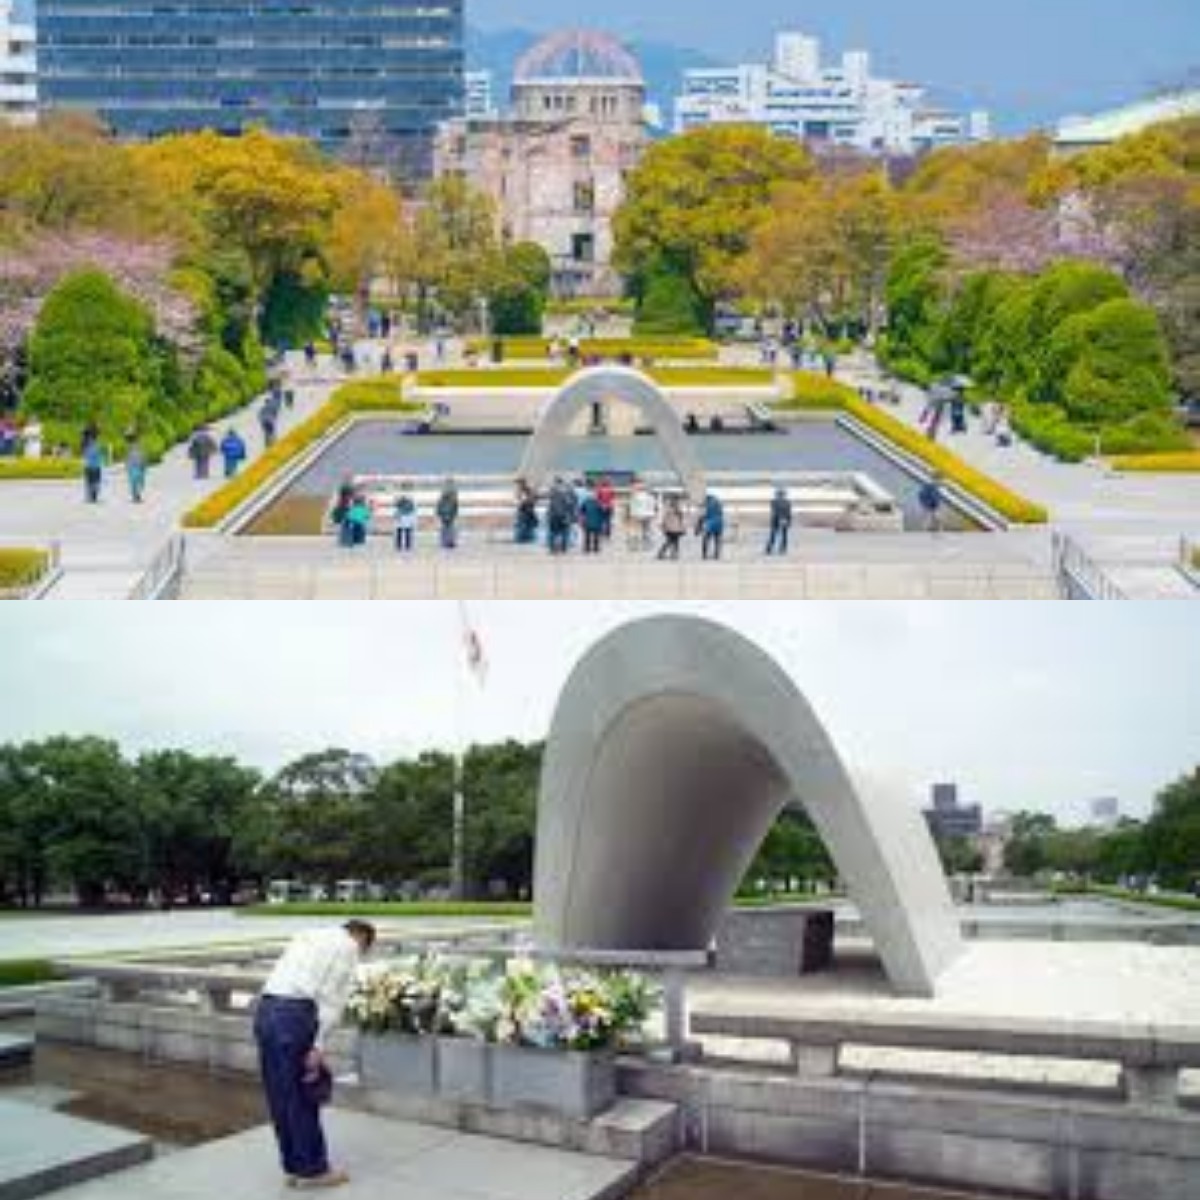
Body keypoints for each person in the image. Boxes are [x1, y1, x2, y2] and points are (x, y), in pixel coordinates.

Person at [255, 921, 376, 1190]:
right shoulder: (348, 947)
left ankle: (293, 1167)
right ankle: (313, 1170)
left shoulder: (308, 935)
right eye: (365, 949)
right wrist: (318, 1046)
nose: (360, 955)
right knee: (303, 1094)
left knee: (280, 1096)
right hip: (294, 1016)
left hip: (266, 1009)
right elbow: (332, 1001)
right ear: (362, 939)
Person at [547, 478, 574, 556]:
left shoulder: (552, 492)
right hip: (563, 516)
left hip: (554, 516)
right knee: (564, 532)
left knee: (553, 533)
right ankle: (563, 548)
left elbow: (549, 504)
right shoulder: (566, 492)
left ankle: (552, 548)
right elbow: (569, 504)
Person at [696, 493, 726, 561]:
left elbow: (702, 516)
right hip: (719, 524)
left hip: (710, 524)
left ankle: (704, 554)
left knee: (706, 539)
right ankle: (716, 554)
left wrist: (698, 527)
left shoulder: (707, 505)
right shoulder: (718, 505)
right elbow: (721, 515)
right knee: (717, 540)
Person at [766, 487, 793, 557]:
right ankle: (770, 549)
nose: (780, 496)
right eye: (780, 494)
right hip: (777, 520)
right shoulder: (774, 502)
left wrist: (788, 521)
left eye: (781, 494)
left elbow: (788, 513)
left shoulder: (787, 502)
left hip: (782, 520)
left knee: (783, 536)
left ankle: (781, 549)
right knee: (774, 535)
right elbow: (775, 511)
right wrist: (784, 519)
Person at [630, 486, 659, 551]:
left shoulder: (635, 496)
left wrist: (632, 515)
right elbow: (654, 506)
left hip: (638, 515)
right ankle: (646, 546)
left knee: (636, 531)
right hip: (648, 515)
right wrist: (654, 514)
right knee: (647, 530)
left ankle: (635, 546)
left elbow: (632, 506)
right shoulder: (651, 497)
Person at [580, 486, 606, 555]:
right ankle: (596, 548)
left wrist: (582, 519)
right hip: (597, 522)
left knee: (587, 536)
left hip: (587, 522)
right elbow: (602, 512)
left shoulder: (585, 502)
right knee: (596, 536)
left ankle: (587, 548)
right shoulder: (598, 503)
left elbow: (582, 511)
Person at [436, 479, 459, 550]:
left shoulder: (445, 497)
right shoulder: (452, 496)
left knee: (447, 528)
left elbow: (439, 506)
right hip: (449, 514)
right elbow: (455, 506)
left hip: (447, 514)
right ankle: (448, 542)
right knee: (449, 528)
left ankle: (446, 542)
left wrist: (439, 513)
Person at [82, 434, 105, 504]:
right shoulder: (96, 447)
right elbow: (100, 456)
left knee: (91, 482)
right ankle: (92, 495)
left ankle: (92, 495)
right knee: (94, 482)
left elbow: (86, 457)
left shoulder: (88, 448)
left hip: (91, 467)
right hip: (94, 467)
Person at [394, 484, 418, 553]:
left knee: (403, 531)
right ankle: (405, 546)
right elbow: (413, 508)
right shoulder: (410, 496)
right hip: (405, 515)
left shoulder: (400, 495)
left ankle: (401, 546)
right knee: (404, 531)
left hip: (404, 515)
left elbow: (396, 505)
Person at [124, 434, 147, 504]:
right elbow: (128, 459)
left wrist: (143, 465)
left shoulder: (138, 450)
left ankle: (136, 495)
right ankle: (136, 495)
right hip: (134, 468)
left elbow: (142, 458)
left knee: (137, 483)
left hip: (137, 467)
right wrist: (127, 466)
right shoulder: (131, 450)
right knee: (135, 483)